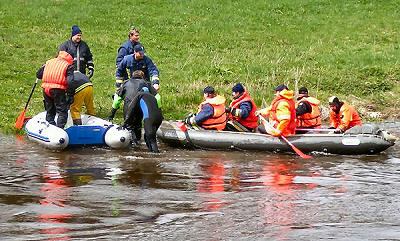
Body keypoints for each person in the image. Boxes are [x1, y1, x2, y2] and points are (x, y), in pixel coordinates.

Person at [36, 51, 74, 129]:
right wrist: (70, 95)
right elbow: (70, 82)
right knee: (62, 111)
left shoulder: (49, 62)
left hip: (46, 89)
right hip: (58, 89)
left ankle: (50, 126)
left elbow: (39, 75)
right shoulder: (68, 66)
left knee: (50, 109)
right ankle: (59, 129)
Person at [122, 84, 163, 153]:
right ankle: (152, 154)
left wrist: (126, 122)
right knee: (147, 136)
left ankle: (156, 158)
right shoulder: (153, 97)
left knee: (151, 140)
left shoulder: (139, 95)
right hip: (159, 119)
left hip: (149, 119)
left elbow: (131, 109)